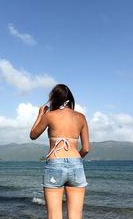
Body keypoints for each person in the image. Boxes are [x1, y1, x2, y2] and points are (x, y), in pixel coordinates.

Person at [30, 84, 90, 219]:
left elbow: (33, 135)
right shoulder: (81, 117)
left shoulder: (49, 116)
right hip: (76, 164)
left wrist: (40, 115)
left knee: (54, 215)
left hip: (55, 164)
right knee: (75, 215)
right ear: (70, 98)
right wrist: (73, 161)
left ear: (54, 99)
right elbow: (86, 149)